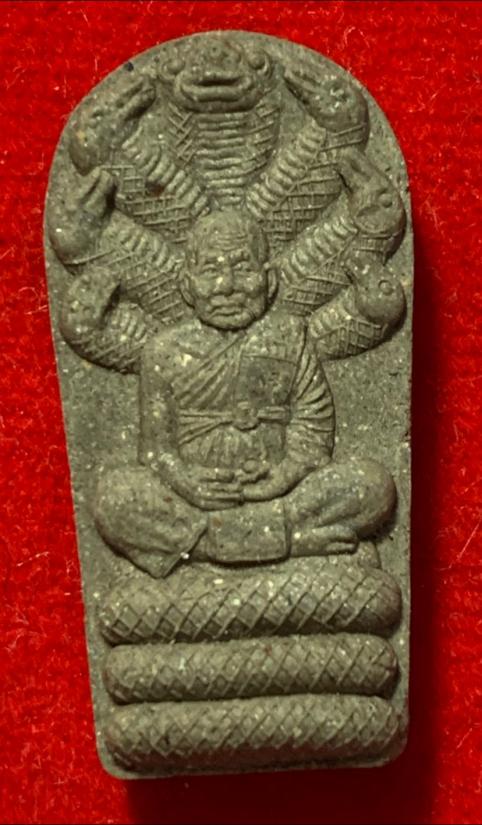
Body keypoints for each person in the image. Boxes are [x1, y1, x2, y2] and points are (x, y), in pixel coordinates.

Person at [94, 209, 395, 577]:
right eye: (210, 271)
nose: (227, 286)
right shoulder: (164, 350)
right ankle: (282, 542)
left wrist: (286, 474)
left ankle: (212, 546)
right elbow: (157, 452)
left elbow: (313, 428)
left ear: (269, 280)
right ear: (187, 285)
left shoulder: (289, 335)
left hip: (280, 498)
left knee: (372, 485)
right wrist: (187, 483)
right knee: (115, 497)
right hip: (197, 505)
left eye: (243, 269)